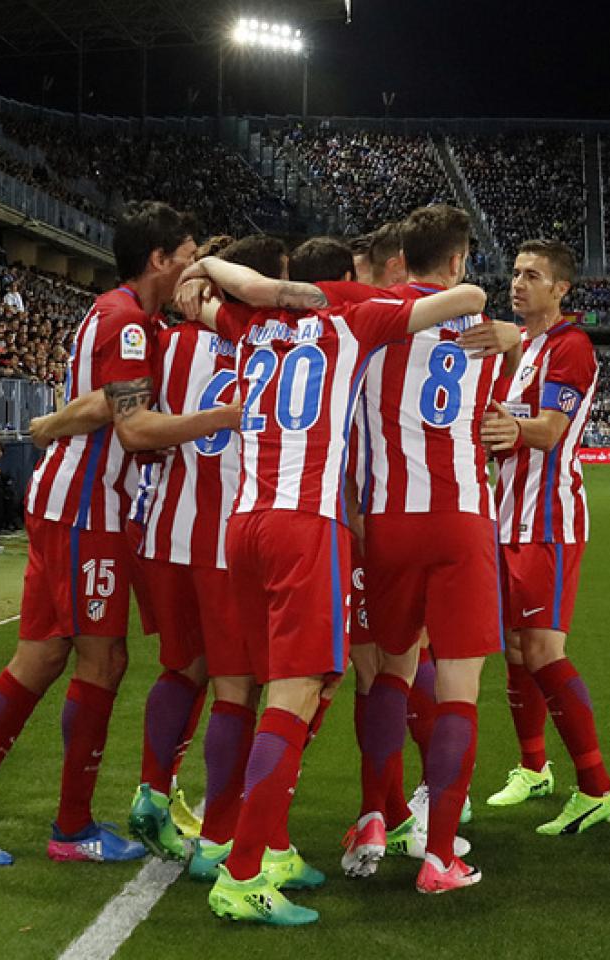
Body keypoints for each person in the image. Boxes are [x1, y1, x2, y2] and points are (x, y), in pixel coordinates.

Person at [176, 245, 496, 925]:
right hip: (306, 527)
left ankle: (269, 846)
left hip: (243, 525)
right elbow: (467, 300)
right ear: (344, 281)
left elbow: (197, 295)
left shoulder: (247, 322)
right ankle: (243, 874)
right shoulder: (355, 319)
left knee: (272, 690)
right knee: (295, 698)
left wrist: (220, 272)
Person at [0, 202, 233, 868]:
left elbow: (106, 400)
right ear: (159, 259)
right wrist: (222, 416)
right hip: (89, 511)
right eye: (186, 256)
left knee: (40, 658)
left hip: (71, 504)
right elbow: (132, 425)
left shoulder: (122, 313)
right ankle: (71, 827)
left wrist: (56, 422)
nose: (192, 267)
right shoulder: (128, 323)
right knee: (102, 662)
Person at [340, 205, 520, 891]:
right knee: (458, 690)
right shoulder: (482, 333)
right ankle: (440, 854)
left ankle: (373, 815)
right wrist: (511, 340)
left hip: (387, 519)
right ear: (457, 260)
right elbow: (501, 414)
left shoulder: (372, 320)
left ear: (401, 258)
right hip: (461, 518)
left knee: (387, 673)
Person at [120, 235, 281, 863]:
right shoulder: (267, 343)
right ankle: (219, 838)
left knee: (180, 670)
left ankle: (152, 793)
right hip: (229, 541)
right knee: (236, 690)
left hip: (167, 532)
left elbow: (132, 419)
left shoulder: (166, 342)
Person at [480, 239, 610, 836]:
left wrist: (502, 426)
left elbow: (548, 430)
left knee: (543, 650)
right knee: (517, 650)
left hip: (548, 520)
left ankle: (597, 788)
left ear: (561, 288)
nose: (518, 284)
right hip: (506, 516)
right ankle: (533, 767)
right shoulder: (522, 346)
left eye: (533, 276)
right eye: (516, 273)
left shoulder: (570, 346)